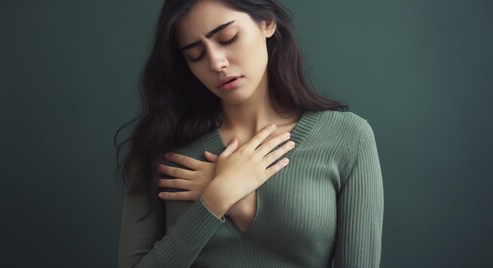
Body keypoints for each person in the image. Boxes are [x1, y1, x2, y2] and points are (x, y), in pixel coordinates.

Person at [114, 0, 384, 267]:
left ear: (267, 22)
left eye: (227, 38)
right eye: (196, 55)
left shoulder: (348, 137)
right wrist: (217, 197)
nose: (217, 63)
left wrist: (241, 202)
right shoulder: (161, 150)